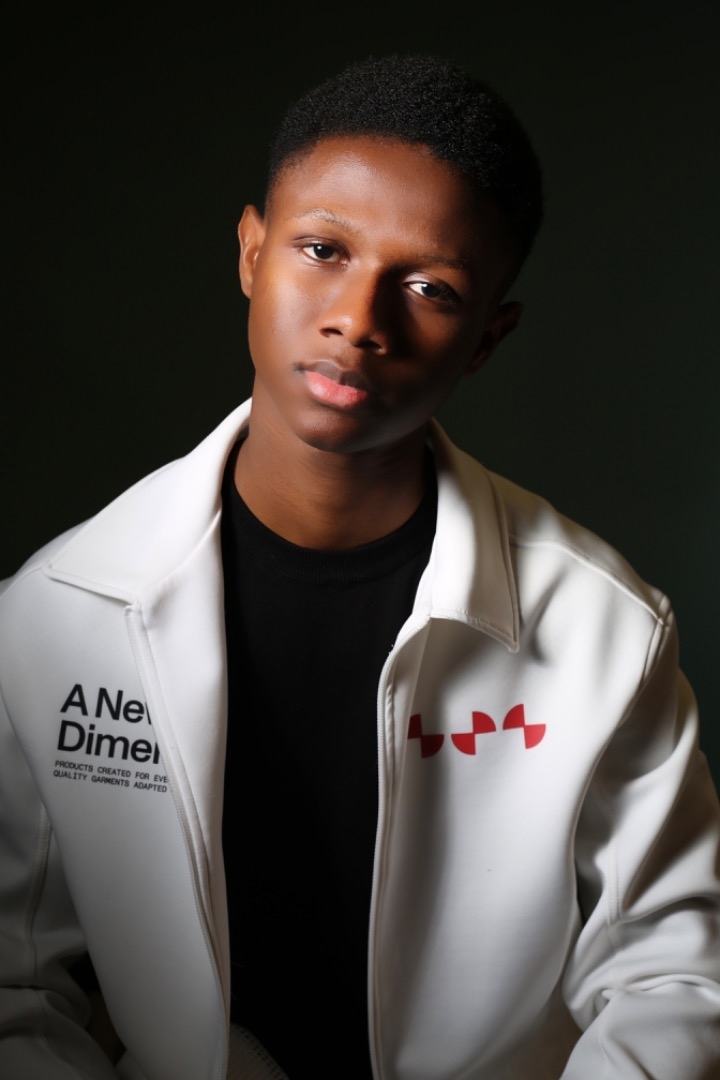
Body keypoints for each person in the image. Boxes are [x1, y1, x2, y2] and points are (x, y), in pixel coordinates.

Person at [0, 52, 719, 1080]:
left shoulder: (604, 629)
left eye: (430, 287)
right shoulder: (55, 613)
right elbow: (16, 988)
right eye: (323, 249)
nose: (358, 320)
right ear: (252, 253)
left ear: (487, 337)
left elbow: (674, 977)